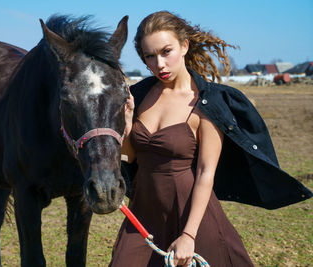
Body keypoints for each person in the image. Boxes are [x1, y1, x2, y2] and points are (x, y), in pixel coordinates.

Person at [110, 11, 312, 267]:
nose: (159, 63)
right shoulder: (138, 95)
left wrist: (188, 235)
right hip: (143, 211)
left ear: (184, 46)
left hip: (190, 212)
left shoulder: (207, 103)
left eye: (166, 51)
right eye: (149, 56)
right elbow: (130, 156)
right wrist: (127, 124)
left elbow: (206, 172)